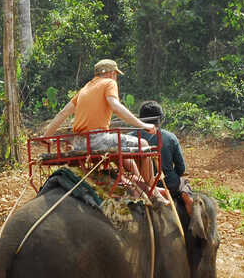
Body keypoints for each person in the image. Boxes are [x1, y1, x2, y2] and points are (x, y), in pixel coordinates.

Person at [40, 59, 166, 202]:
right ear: (112, 73)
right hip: (98, 140)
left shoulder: (84, 89)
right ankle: (153, 191)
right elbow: (115, 106)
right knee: (143, 143)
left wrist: (46, 136)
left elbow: (63, 113)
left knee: (120, 144)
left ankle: (138, 183)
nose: (116, 77)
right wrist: (142, 125)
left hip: (79, 143)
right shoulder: (109, 83)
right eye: (116, 74)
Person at [133, 101, 194, 213]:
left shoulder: (130, 137)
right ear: (160, 119)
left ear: (140, 119)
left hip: (139, 184)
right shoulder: (170, 138)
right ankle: (193, 218)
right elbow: (181, 168)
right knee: (185, 185)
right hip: (168, 183)